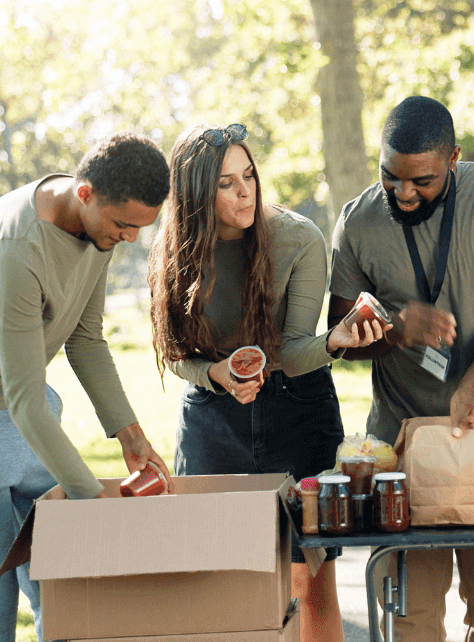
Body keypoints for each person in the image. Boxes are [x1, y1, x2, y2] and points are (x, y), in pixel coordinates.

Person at [147, 123, 384, 642]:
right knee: (218, 575)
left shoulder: (298, 238)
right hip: (213, 414)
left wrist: (335, 341)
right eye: (227, 183)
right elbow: (176, 352)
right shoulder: (176, 251)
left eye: (248, 175)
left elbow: (295, 350)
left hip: (297, 406)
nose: (245, 190)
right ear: (194, 197)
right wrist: (215, 374)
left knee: (309, 575)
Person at [0, 131, 173, 641]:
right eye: (124, 225)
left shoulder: (100, 230)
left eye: (141, 227)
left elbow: (86, 340)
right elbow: (23, 398)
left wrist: (132, 437)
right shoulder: (18, 244)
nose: (131, 238)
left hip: (28, 419)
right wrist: (93, 502)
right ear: (84, 193)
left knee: (66, 587)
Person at [328, 96, 474, 641]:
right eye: (390, 177)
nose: (403, 193)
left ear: (453, 158)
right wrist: (397, 328)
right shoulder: (356, 221)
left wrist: (470, 386)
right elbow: (341, 337)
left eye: (421, 180)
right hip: (402, 449)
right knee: (412, 618)